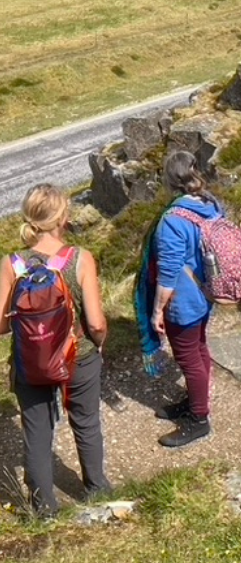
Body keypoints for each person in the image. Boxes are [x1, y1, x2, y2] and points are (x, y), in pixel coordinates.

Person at [0, 184, 111, 517]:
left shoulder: (12, 263)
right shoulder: (79, 259)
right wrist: (99, 344)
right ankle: (96, 489)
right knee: (86, 422)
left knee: (37, 435)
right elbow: (97, 322)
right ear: (64, 216)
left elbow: (2, 325)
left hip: (31, 361)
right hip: (79, 356)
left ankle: (44, 508)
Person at [135, 151, 221, 448]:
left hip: (183, 302)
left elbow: (168, 273)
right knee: (199, 347)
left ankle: (198, 419)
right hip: (205, 292)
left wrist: (157, 310)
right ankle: (195, 400)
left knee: (188, 357)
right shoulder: (209, 203)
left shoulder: (172, 219)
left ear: (169, 181)